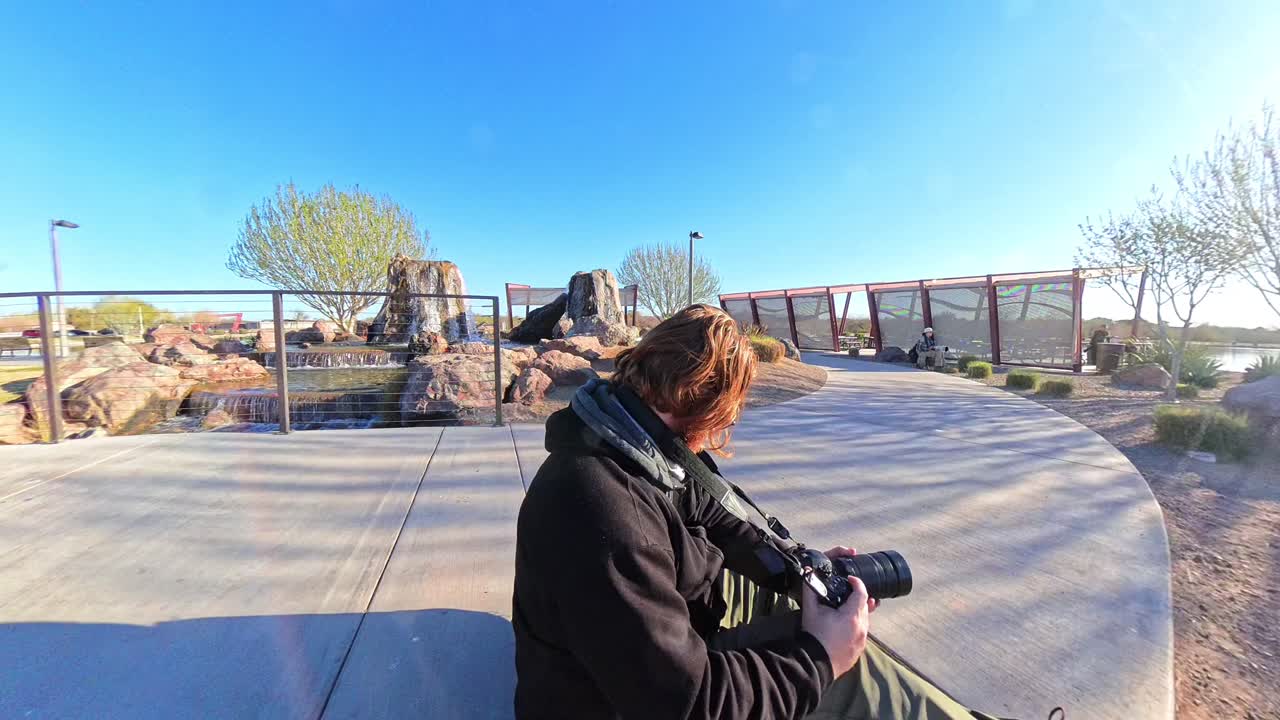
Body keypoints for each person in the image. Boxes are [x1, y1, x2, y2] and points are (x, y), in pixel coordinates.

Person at [512, 305, 1009, 720]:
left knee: (795, 600)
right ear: (706, 403)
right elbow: (690, 704)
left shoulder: (637, 440)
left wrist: (805, 570)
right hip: (619, 704)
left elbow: (727, 521)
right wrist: (821, 658)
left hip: (646, 658)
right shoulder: (601, 504)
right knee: (858, 673)